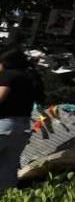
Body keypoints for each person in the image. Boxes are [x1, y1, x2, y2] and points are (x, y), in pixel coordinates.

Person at [0, 48, 42, 192]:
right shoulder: (29, 77)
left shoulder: (7, 75)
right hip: (22, 127)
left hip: (3, 125)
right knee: (8, 168)